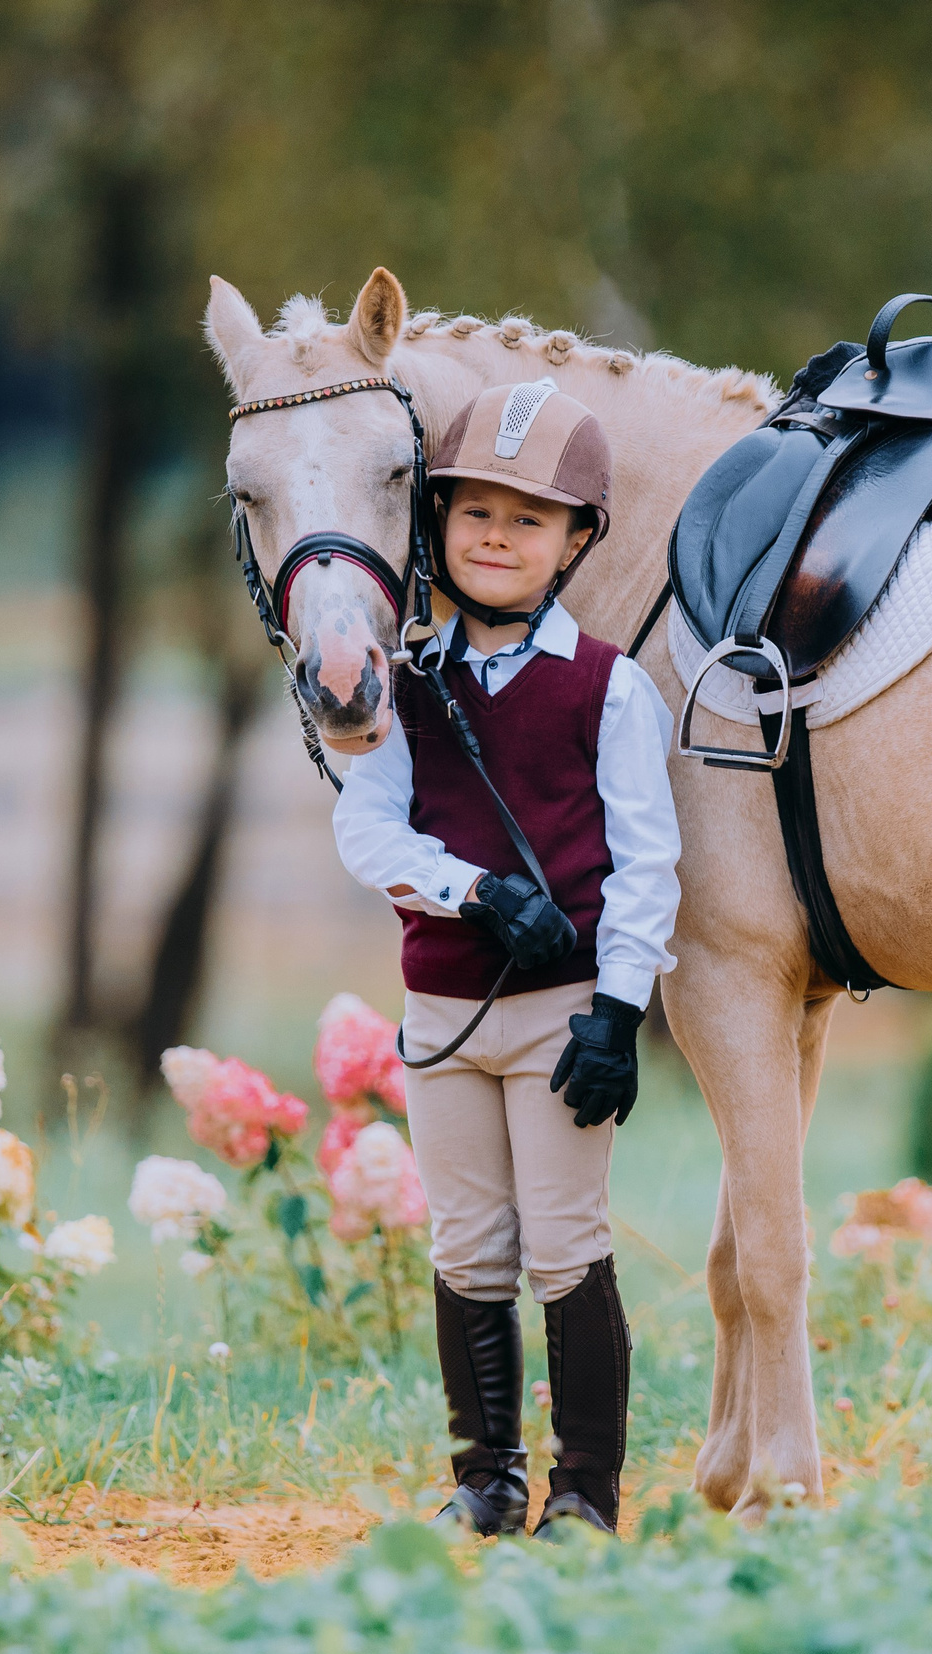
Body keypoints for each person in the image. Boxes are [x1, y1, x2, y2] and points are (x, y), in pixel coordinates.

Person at [332, 378, 679, 1538]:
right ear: (436, 522)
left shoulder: (610, 687)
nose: (494, 535)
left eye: (528, 518)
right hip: (441, 1017)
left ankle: (584, 1491)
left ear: (577, 539)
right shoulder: (400, 684)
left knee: (567, 1243)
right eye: (473, 510)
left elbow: (645, 861)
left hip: (560, 1014)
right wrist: (473, 892)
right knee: (468, 1243)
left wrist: (620, 1011)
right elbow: (367, 827)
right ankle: (485, 1477)